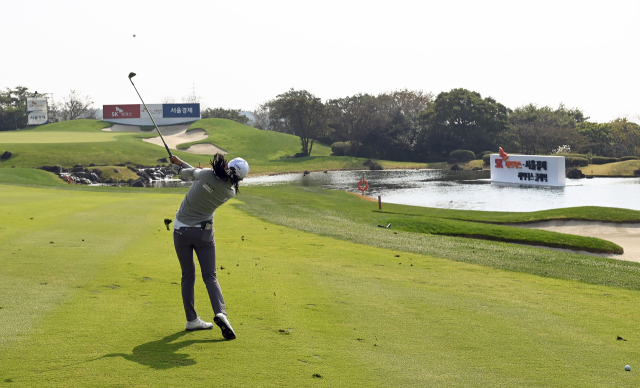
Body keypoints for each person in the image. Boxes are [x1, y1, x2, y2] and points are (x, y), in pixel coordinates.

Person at [169, 153, 249, 340]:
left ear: (228, 164)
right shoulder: (229, 191)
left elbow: (190, 174)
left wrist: (177, 166)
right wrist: (181, 164)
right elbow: (197, 174)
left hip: (181, 231)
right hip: (204, 234)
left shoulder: (207, 174)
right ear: (240, 178)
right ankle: (220, 313)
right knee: (210, 276)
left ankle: (191, 320)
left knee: (188, 275)